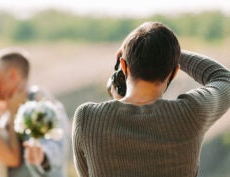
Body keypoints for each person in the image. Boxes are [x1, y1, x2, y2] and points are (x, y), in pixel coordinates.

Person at [72, 22, 230, 177]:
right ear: (174, 72)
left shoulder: (87, 118)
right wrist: (171, 55)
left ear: (123, 66)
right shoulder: (190, 113)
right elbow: (225, 79)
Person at [0, 48, 69, 177]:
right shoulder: (4, 113)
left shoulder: (43, 105)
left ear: (12, 75)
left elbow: (56, 146)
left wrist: (42, 157)